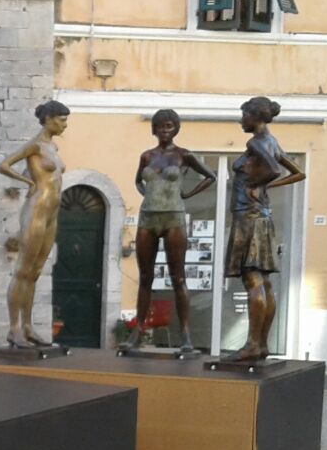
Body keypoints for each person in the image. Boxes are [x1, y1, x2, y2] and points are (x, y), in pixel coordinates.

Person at [124, 109, 216, 353]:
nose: (164, 131)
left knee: (178, 277)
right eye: (160, 127)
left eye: (169, 126)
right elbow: (137, 181)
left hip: (173, 216)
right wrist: (148, 196)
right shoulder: (146, 156)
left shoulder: (183, 155)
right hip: (148, 218)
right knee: (145, 277)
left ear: (176, 129)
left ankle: (185, 334)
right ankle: (138, 330)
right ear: (153, 129)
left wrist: (186, 194)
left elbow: (210, 176)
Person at [226, 96, 305, 362]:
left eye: (243, 114)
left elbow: (273, 170)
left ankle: (252, 344)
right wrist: (267, 186)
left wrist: (256, 184)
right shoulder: (272, 142)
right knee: (265, 283)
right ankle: (261, 344)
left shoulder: (255, 142)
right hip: (262, 215)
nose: (241, 119)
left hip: (248, 216)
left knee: (253, 281)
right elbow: (297, 173)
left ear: (254, 115)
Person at [0, 101, 70, 349]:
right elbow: (4, 165)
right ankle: (14, 328)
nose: (64, 124)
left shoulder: (52, 147)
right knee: (23, 270)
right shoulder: (35, 145)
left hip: (52, 213)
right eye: (60, 119)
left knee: (35, 272)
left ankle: (28, 327)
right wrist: (28, 183)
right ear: (48, 119)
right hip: (37, 209)